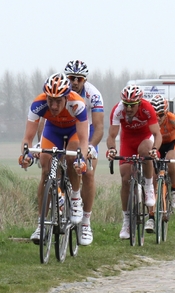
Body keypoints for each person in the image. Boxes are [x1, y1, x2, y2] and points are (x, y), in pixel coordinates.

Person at [19, 73, 90, 244]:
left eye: (58, 101)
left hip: (73, 131)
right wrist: (25, 155)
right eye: (50, 100)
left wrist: (82, 159)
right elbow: (27, 139)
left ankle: (74, 198)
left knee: (73, 157)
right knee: (45, 168)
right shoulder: (38, 104)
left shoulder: (77, 104)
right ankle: (41, 224)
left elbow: (83, 140)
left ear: (66, 97)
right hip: (53, 131)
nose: (54, 105)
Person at [106, 85, 162, 240]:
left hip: (145, 139)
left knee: (145, 150)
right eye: (126, 104)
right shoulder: (117, 110)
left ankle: (149, 186)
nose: (128, 108)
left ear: (139, 102)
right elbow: (111, 135)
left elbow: (157, 134)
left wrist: (154, 149)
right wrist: (111, 149)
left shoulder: (147, 108)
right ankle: (126, 221)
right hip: (128, 141)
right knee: (125, 178)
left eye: (132, 105)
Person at [63, 60, 104, 245]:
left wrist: (90, 147)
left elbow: (99, 127)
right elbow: (45, 120)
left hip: (87, 134)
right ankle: (65, 197)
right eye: (71, 78)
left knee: (88, 173)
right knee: (56, 164)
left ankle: (86, 222)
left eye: (79, 78)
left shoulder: (93, 95)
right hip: (65, 131)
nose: (75, 82)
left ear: (84, 79)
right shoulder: (60, 91)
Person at [145, 94, 175, 232]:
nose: (157, 118)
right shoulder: (148, 120)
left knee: (171, 161)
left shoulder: (173, 119)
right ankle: (151, 217)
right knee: (151, 178)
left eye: (161, 114)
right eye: (155, 114)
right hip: (156, 146)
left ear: (166, 112)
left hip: (171, 143)